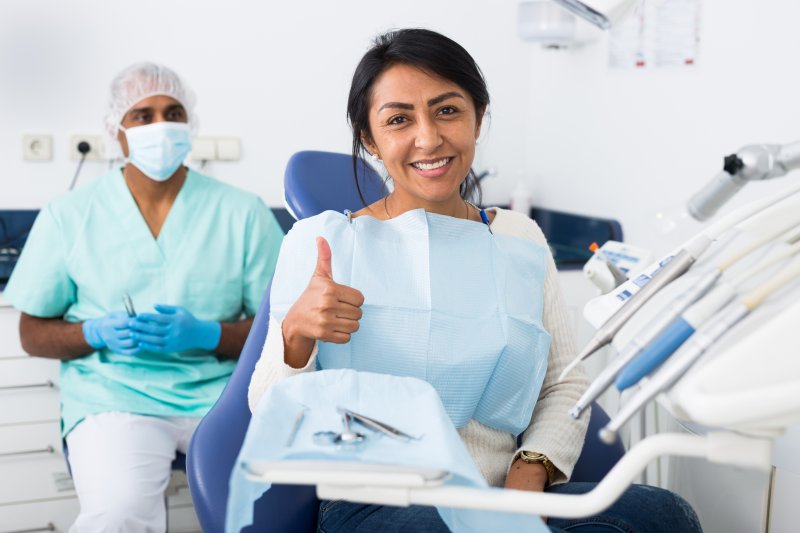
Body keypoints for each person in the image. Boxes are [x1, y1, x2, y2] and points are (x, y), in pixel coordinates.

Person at [247, 29, 701, 532]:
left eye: (447, 110)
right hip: (380, 505)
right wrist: (296, 336)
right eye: (399, 119)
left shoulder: (520, 238)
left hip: (502, 492)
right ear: (369, 138)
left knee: (666, 515)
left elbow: (564, 382)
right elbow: (267, 410)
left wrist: (530, 474)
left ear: (478, 117)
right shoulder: (320, 243)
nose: (428, 137)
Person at [3, 62, 284, 533]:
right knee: (117, 513)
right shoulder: (69, 215)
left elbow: (278, 330)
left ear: (189, 124)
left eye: (173, 112)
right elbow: (31, 332)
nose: (161, 126)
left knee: (271, 508)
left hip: (223, 396)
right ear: (117, 131)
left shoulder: (242, 213)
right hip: (115, 397)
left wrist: (211, 334)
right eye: (143, 115)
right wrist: (92, 333)